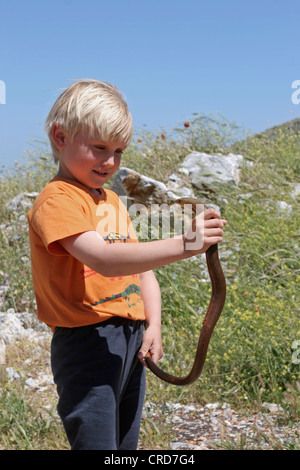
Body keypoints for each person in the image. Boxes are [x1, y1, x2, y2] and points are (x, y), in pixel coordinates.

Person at [27, 79, 227, 450]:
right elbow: (104, 260)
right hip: (87, 341)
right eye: (99, 148)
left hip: (131, 338)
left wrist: (153, 323)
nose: (110, 162)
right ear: (60, 137)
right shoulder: (56, 200)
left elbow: (140, 270)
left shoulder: (114, 202)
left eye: (119, 151)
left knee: (125, 444)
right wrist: (187, 244)